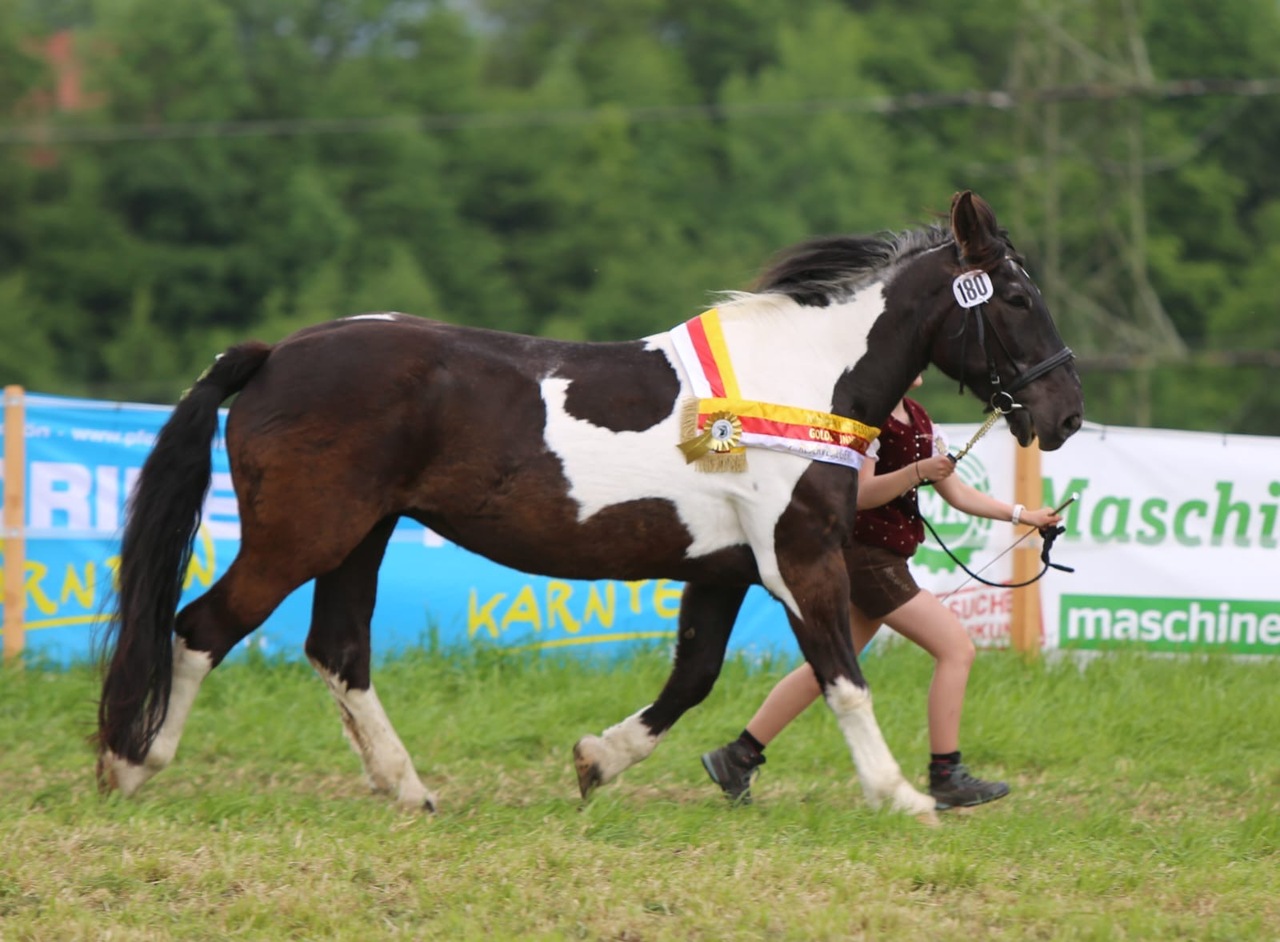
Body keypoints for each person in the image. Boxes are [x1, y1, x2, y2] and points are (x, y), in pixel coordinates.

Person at [700, 375, 1062, 810]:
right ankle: (946, 773)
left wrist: (1023, 515)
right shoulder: (867, 422)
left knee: (829, 668)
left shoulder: (921, 421)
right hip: (868, 557)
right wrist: (916, 472)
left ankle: (737, 756)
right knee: (957, 649)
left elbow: (958, 493)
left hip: (885, 556)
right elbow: (859, 495)